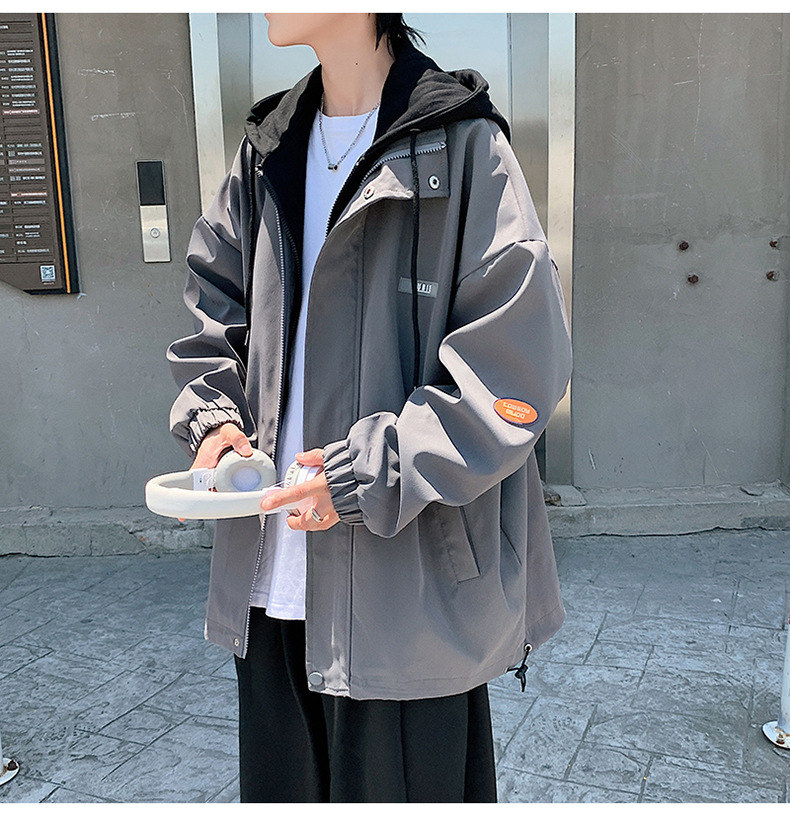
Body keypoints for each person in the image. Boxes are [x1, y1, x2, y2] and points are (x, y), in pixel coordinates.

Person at [167, 12, 572, 803]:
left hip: (406, 597)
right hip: (270, 586)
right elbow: (213, 304)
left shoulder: (463, 146)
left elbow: (515, 369)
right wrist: (215, 419)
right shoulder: (268, 151)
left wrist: (364, 473)